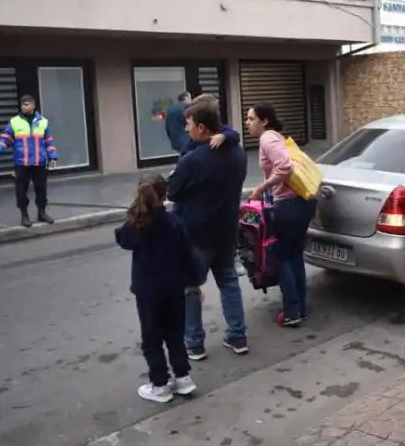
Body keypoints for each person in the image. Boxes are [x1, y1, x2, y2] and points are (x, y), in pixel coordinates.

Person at [168, 100, 249, 360]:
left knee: (190, 287)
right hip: (226, 230)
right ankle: (238, 336)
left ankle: (194, 343)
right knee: (229, 282)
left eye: (189, 124)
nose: (187, 129)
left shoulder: (194, 160)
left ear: (201, 127)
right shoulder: (237, 153)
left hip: (197, 235)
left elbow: (173, 191)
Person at [115, 174, 200, 403]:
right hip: (174, 289)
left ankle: (160, 384)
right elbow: (188, 257)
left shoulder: (138, 225)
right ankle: (183, 378)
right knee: (175, 335)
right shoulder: (175, 222)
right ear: (165, 195)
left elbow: (121, 239)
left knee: (151, 339)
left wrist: (132, 214)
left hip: (148, 292)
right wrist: (194, 284)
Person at [246, 104, 317, 327]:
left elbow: (284, 167)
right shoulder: (275, 137)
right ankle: (299, 308)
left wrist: (262, 187)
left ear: (264, 121)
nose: (247, 123)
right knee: (294, 255)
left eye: (250, 119)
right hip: (301, 201)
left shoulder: (267, 139)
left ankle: (292, 311)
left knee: (281, 257)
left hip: (288, 204)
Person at [0, 95, 58, 228]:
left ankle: (42, 213)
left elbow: (49, 141)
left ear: (33, 106)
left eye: (26, 104)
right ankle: (24, 215)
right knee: (21, 190)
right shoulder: (14, 122)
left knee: (41, 189)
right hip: (22, 162)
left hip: (39, 161)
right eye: (22, 104)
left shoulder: (43, 122)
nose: (24, 106)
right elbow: (5, 137)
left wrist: (53, 157)